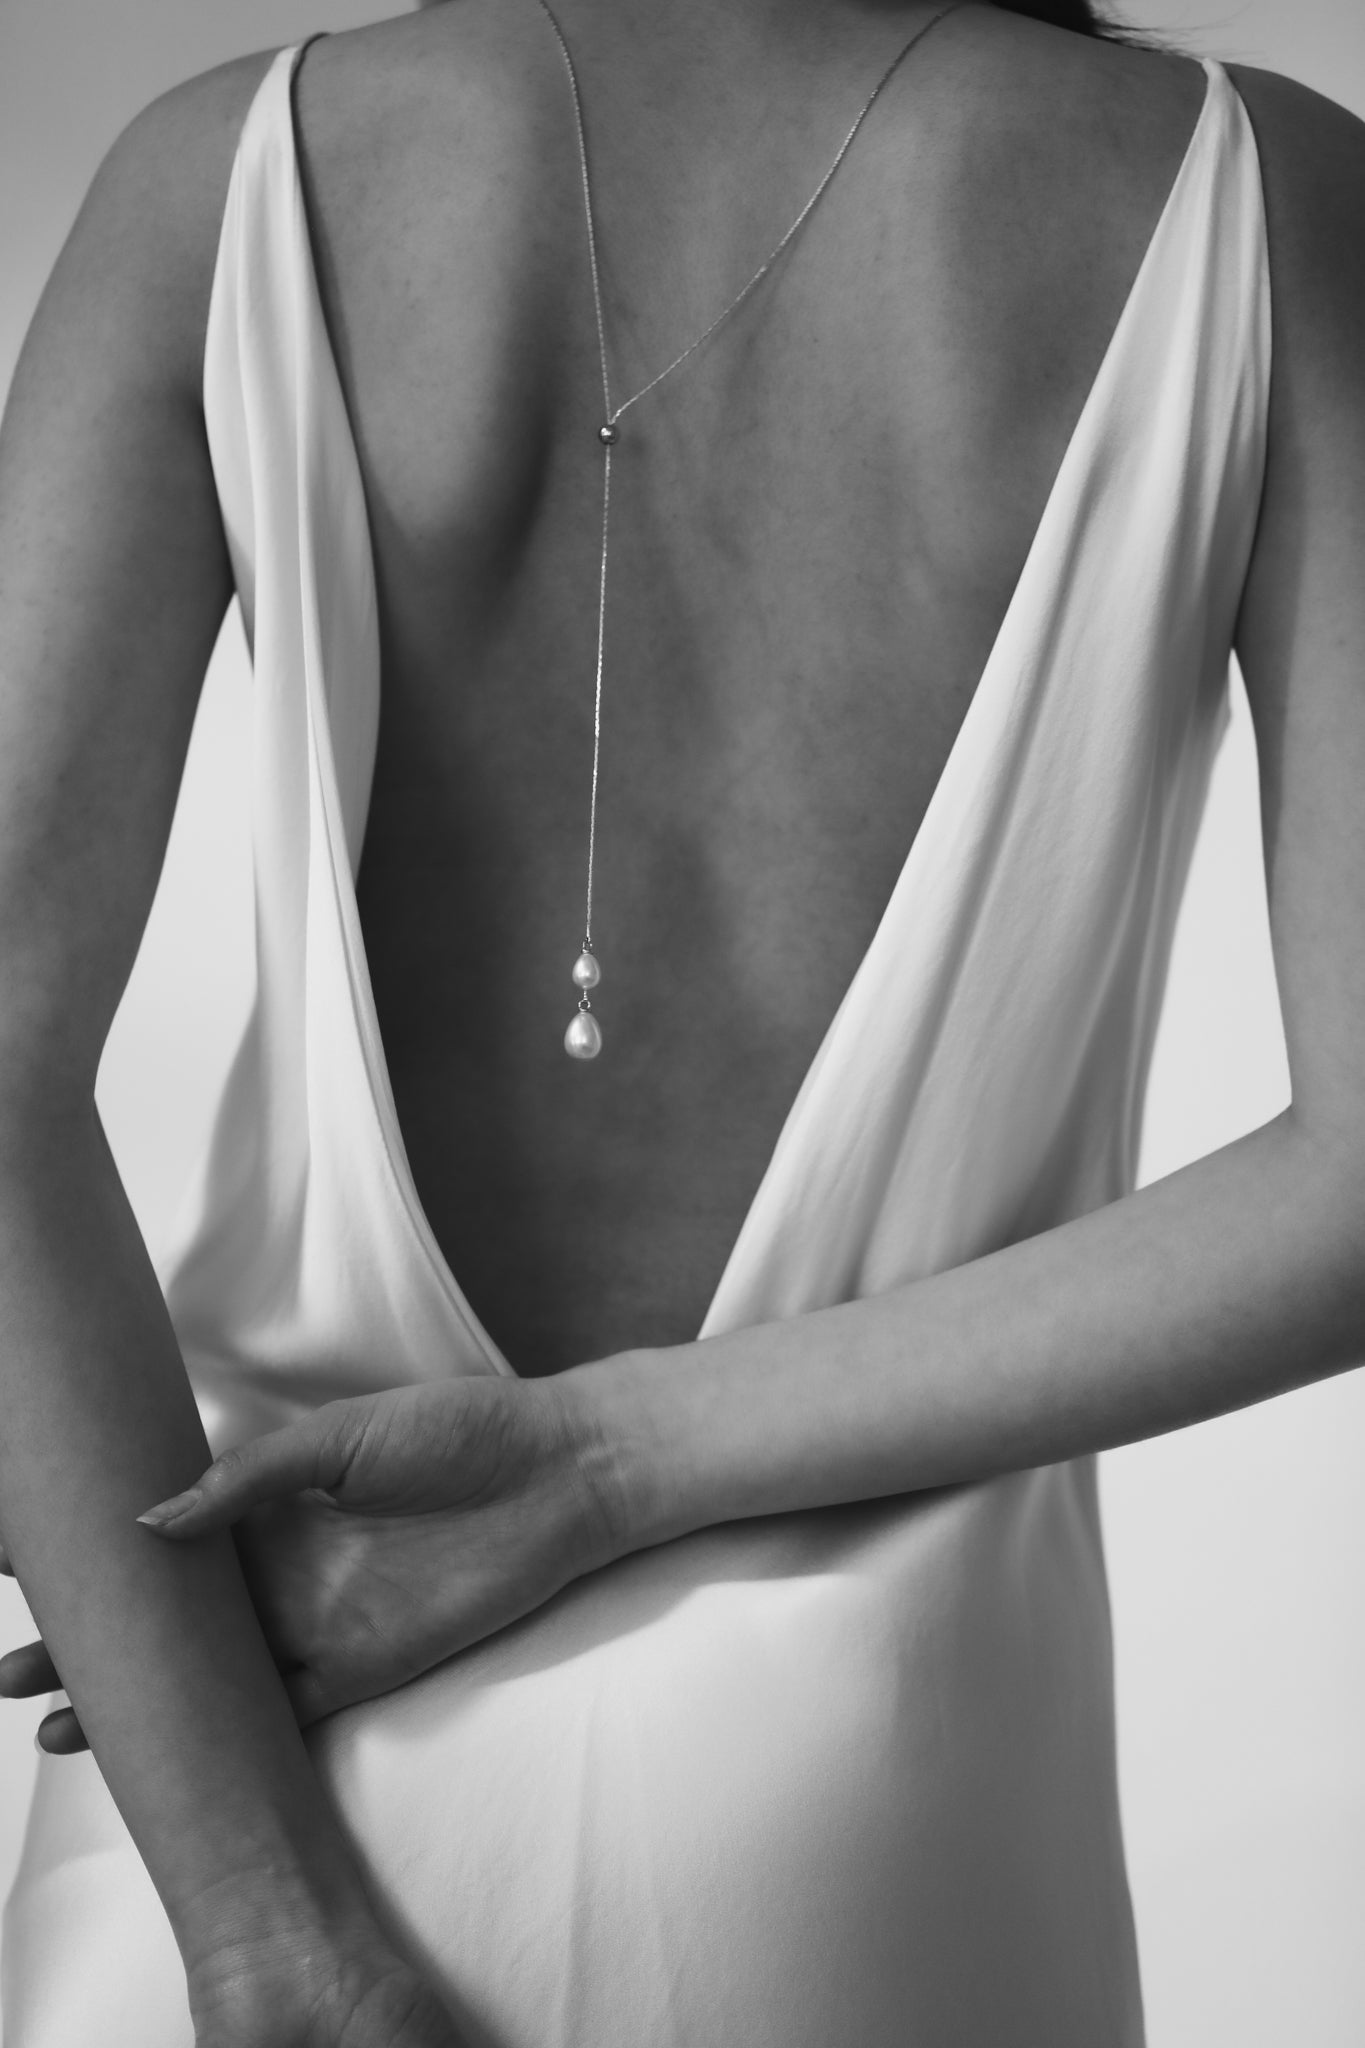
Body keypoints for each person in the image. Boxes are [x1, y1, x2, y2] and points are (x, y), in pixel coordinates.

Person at [0, 0, 1363, 2040]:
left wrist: (258, 1927)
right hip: (866, 1823)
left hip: (254, 1732)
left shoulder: (224, 176)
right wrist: (602, 1460)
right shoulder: (1254, 200)